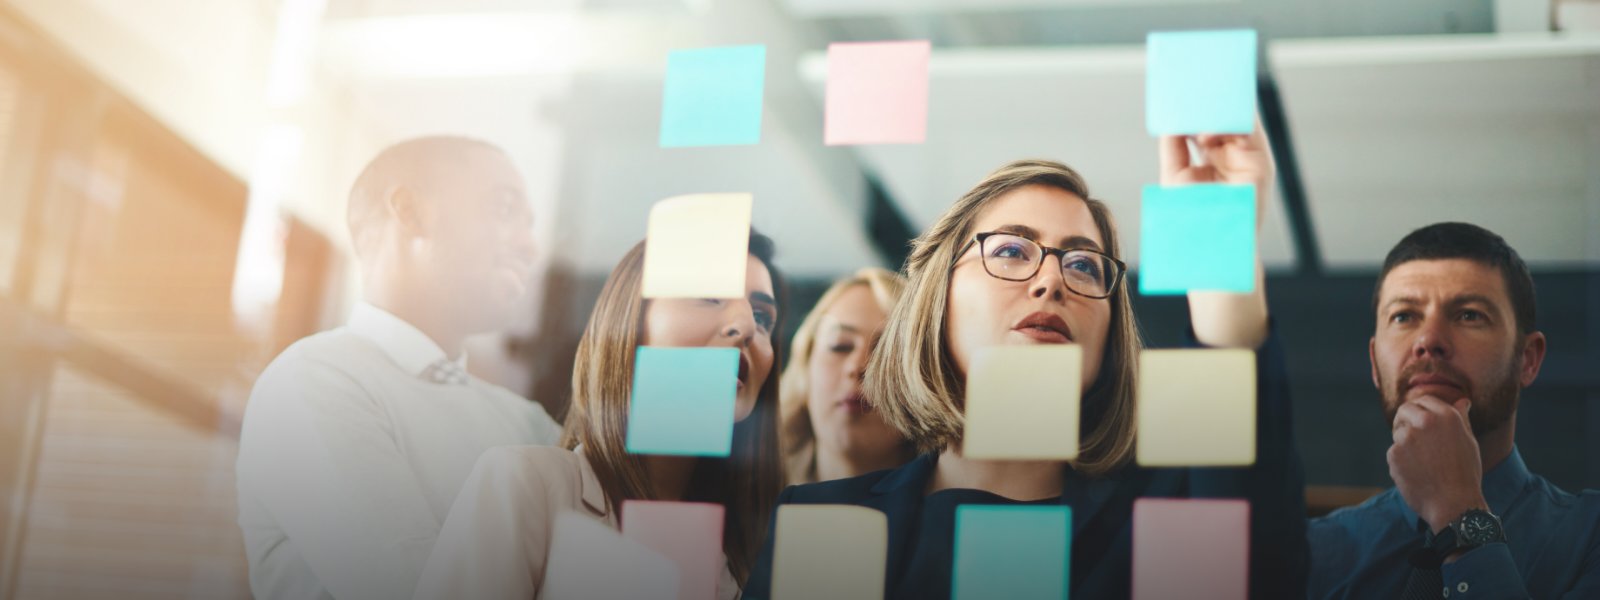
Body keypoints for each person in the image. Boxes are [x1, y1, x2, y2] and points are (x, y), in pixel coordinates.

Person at [745, 127, 1309, 598]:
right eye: (1012, 251)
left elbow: (1258, 545)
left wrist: (1220, 250)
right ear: (937, 299)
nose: (1051, 280)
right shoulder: (821, 521)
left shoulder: (1156, 519)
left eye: (1084, 265)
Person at [234, 137, 562, 600]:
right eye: (504, 209)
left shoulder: (525, 421)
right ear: (409, 211)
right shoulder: (309, 382)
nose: (530, 247)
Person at [411, 232, 786, 600]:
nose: (748, 327)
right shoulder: (526, 486)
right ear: (630, 321)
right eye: (710, 297)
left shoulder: (760, 544)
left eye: (762, 316)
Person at [1308, 222, 1600, 599]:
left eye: (1469, 315)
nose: (1428, 340)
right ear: (1374, 363)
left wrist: (1459, 512)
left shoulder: (1591, 536)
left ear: (1527, 360)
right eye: (1404, 316)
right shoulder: (1316, 552)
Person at [779, 267, 914, 484]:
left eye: (885, 351)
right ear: (805, 368)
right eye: (840, 346)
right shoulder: (753, 504)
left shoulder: (949, 512)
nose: (857, 366)